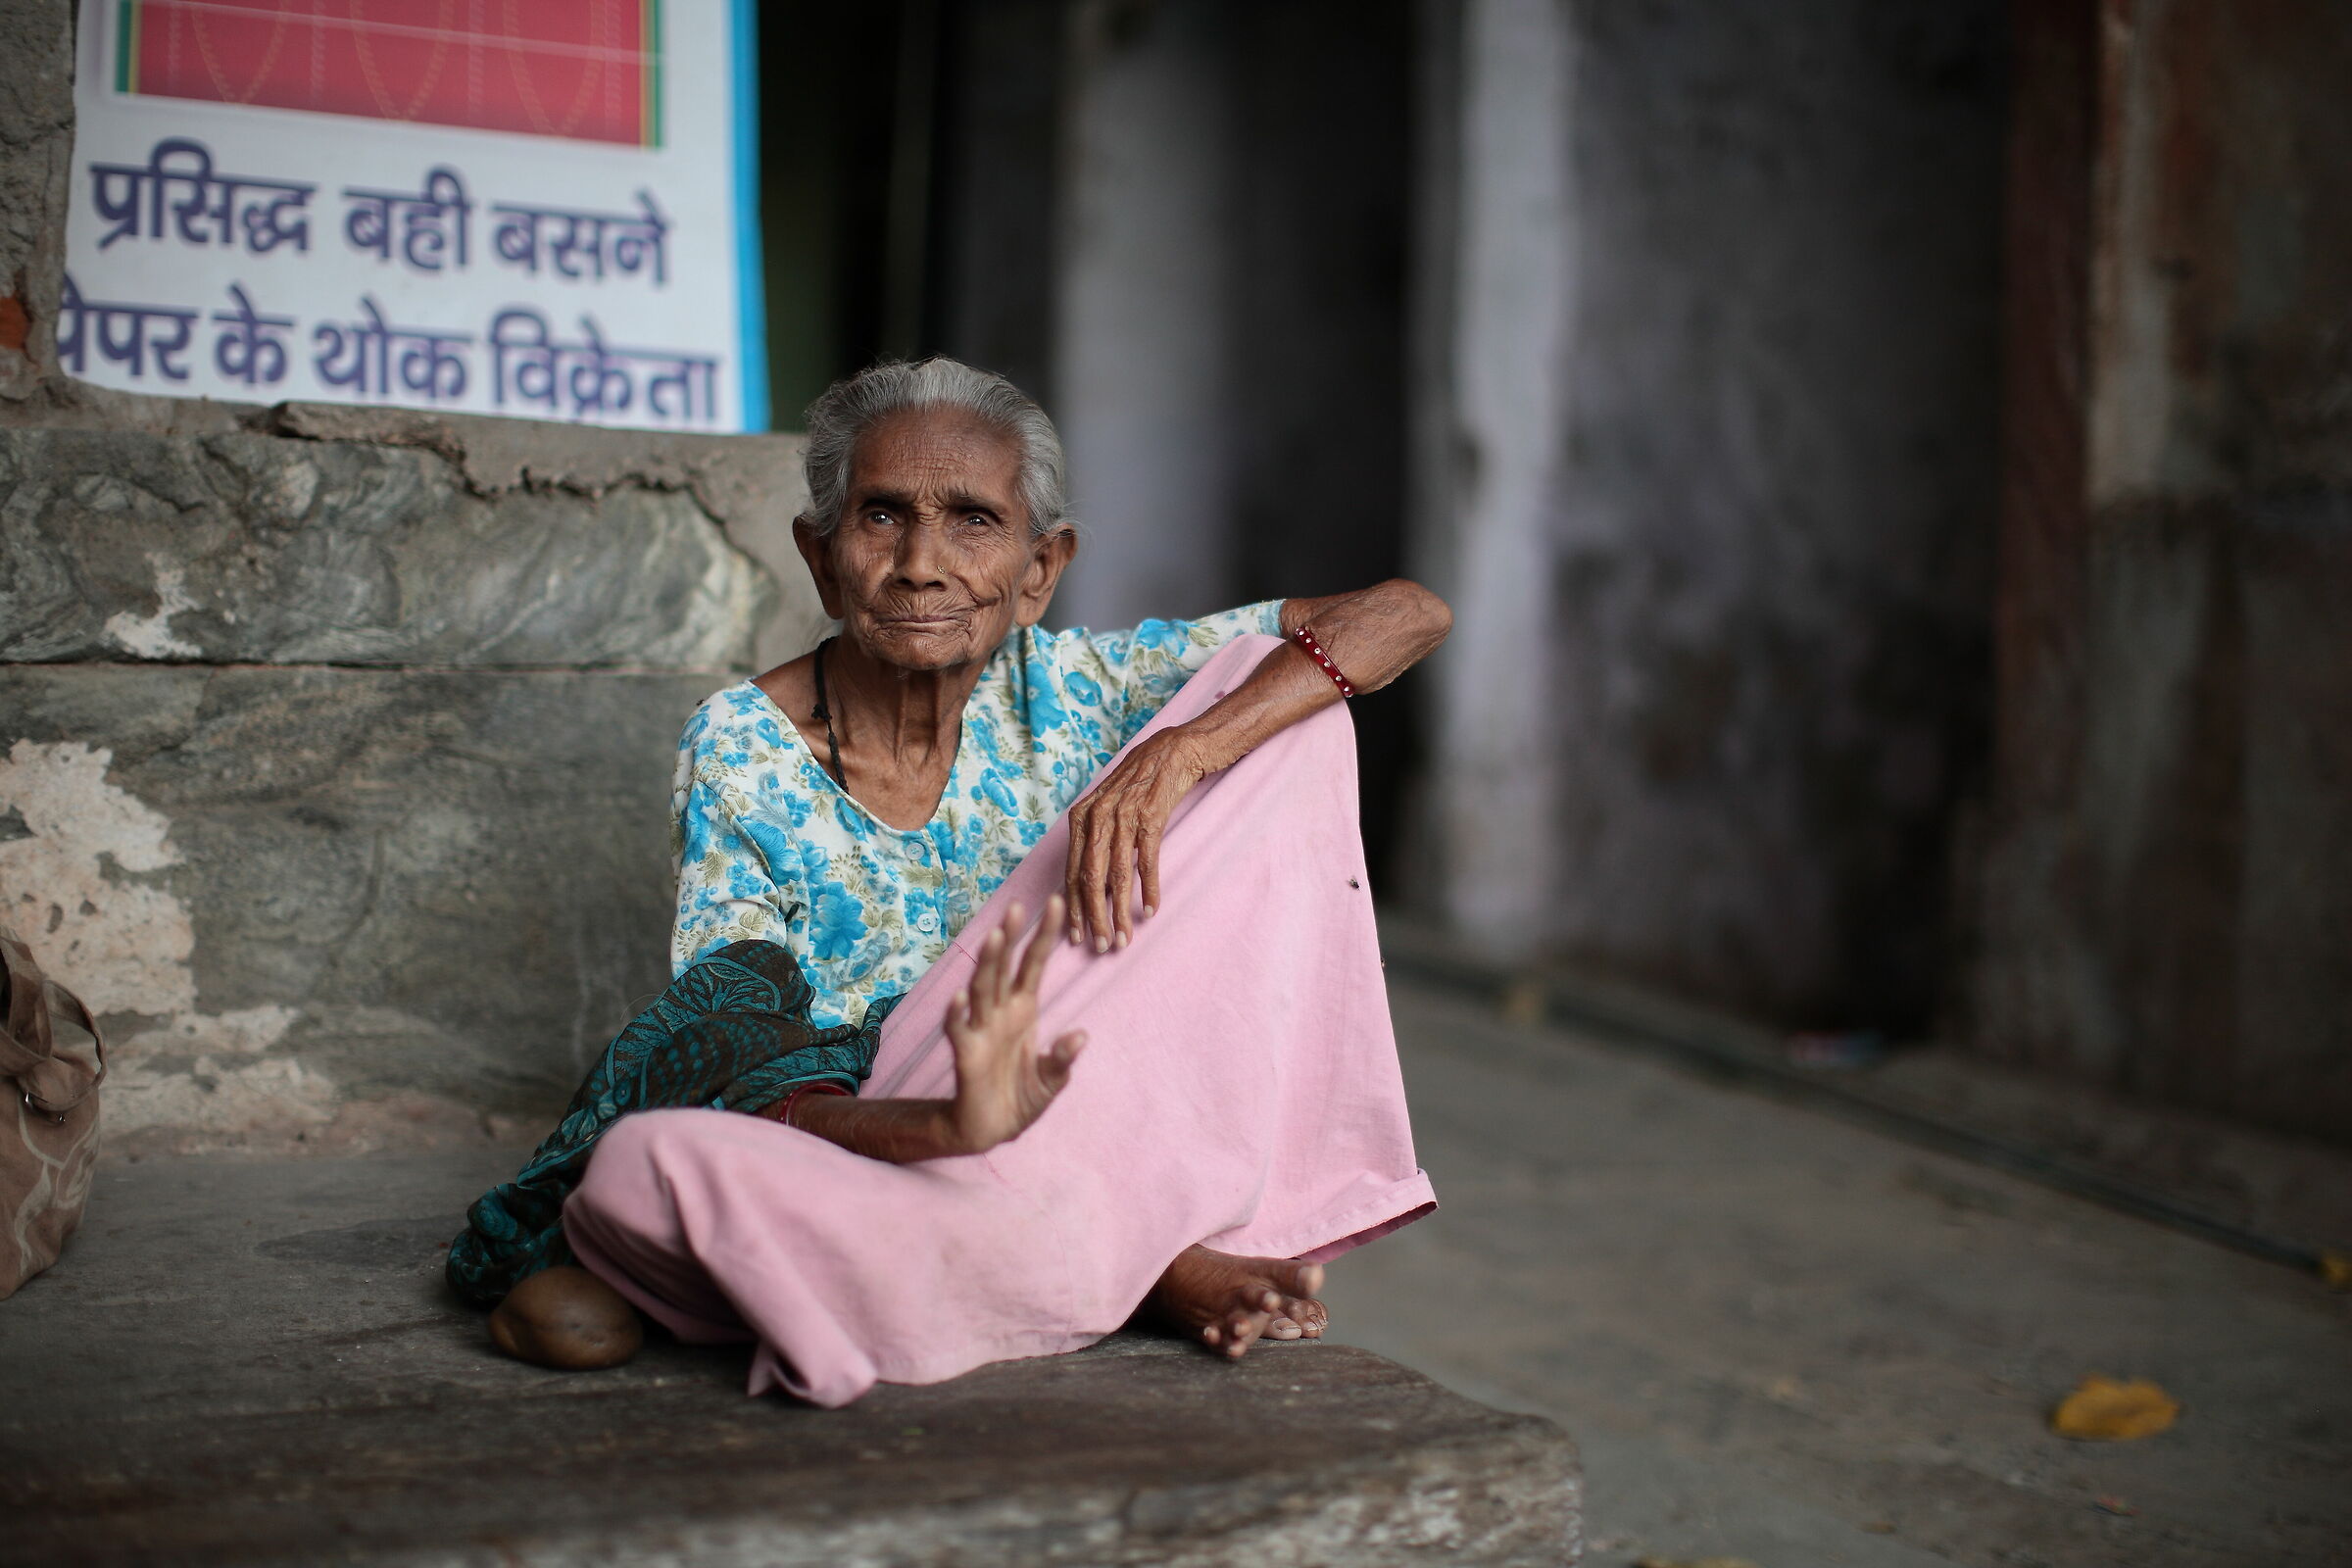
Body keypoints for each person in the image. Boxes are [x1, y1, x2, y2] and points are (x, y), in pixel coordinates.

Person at [453, 357, 1451, 1405]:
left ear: (1040, 570)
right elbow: (739, 1041)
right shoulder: (744, 745)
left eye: (972, 519)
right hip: (882, 1126)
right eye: (882, 517)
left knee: (1289, 699)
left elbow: (1408, 613)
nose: (922, 562)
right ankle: (1120, 1259)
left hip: (1082, 1094)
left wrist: (1182, 754)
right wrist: (952, 1125)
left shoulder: (1077, 689)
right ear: (822, 557)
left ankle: (1024, 1255)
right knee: (641, 1164)